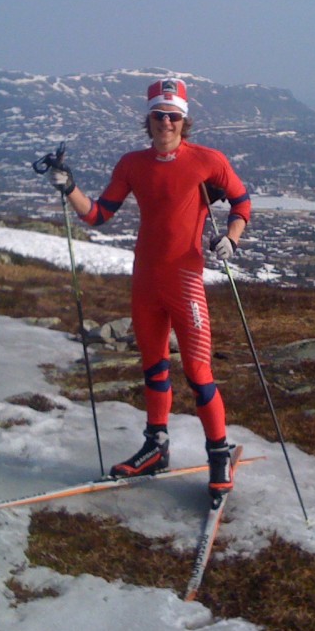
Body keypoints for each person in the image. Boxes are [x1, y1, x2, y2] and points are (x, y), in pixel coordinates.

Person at [48, 77, 251, 500]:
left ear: (184, 120)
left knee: (197, 372)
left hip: (185, 279)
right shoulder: (131, 164)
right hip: (145, 279)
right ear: (149, 119)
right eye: (159, 116)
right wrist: (69, 188)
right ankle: (156, 447)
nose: (166, 123)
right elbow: (100, 214)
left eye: (173, 116)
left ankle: (218, 451)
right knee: (154, 366)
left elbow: (242, 201)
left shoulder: (207, 160)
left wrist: (231, 238)